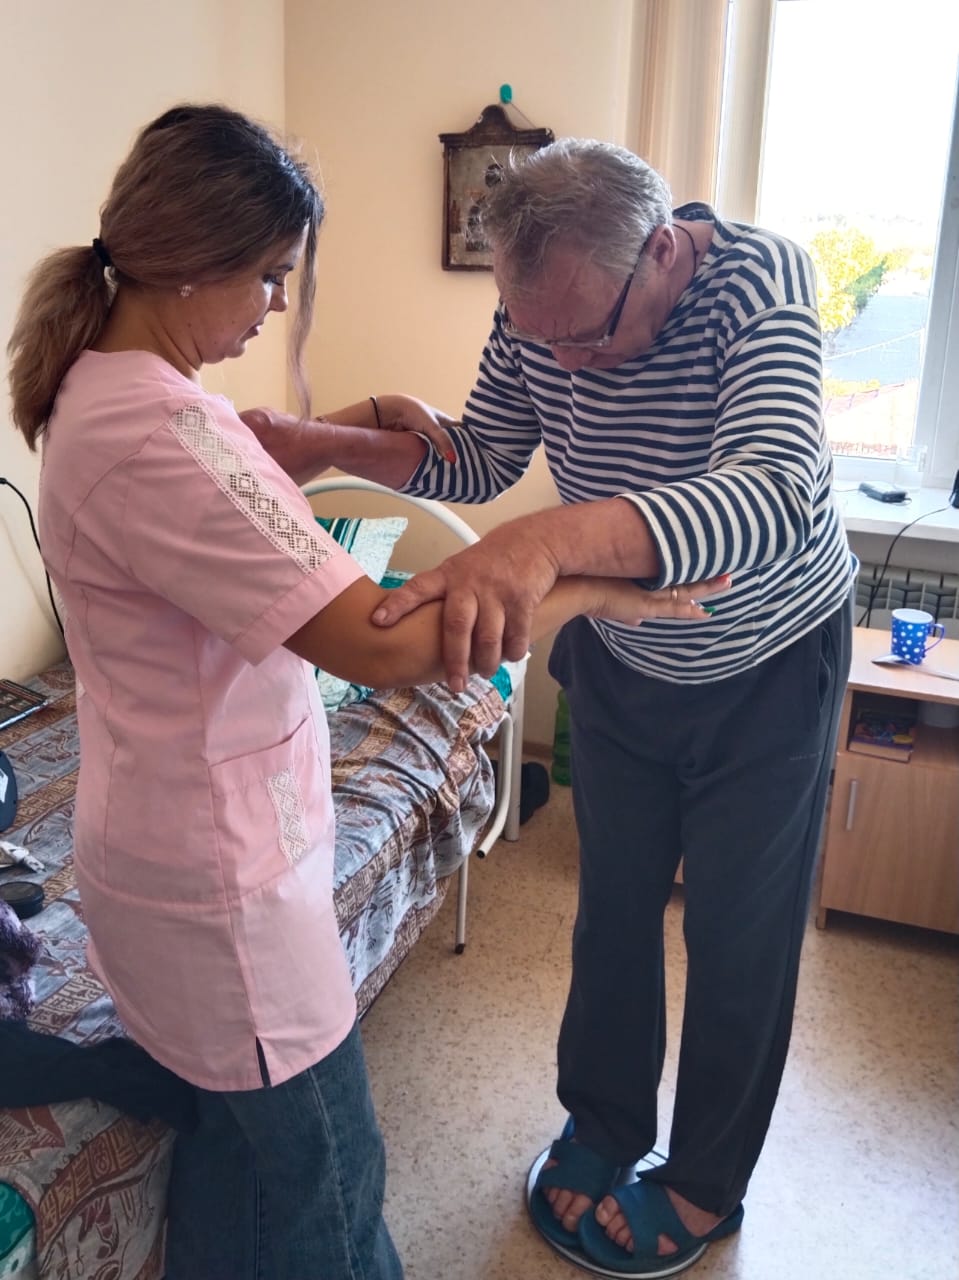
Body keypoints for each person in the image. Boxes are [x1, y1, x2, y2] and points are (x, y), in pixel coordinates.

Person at [6, 114, 725, 1280]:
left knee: (240, 1170)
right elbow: (387, 645)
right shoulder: (164, 432)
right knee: (331, 1189)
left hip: (162, 854)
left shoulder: (108, 390)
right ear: (194, 262)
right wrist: (599, 586)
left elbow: (303, 475)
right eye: (268, 274)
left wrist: (342, 427)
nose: (275, 306)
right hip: (221, 895)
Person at [243, 137, 858, 1277]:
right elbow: (483, 455)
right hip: (623, 656)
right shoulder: (543, 303)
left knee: (738, 937)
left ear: (662, 250)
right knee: (611, 910)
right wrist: (320, 443)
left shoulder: (759, 281)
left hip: (767, 666)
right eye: (539, 340)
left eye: (585, 337)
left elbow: (771, 493)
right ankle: (604, 1122)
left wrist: (542, 541)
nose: (564, 366)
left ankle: (704, 1178)